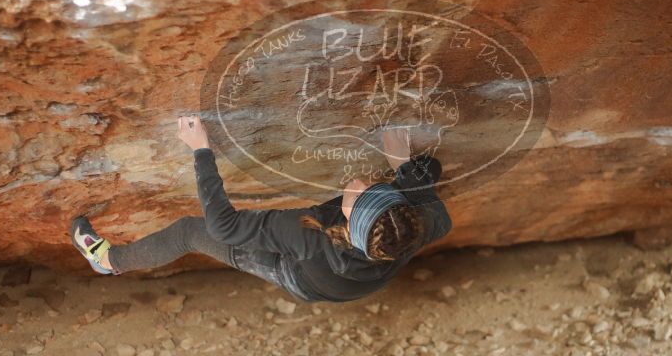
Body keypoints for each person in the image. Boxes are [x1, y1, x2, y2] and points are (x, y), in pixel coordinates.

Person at [70, 116, 452, 303]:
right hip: (355, 282)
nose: (359, 183)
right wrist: (403, 166)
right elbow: (427, 189)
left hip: (302, 280)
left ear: (348, 220)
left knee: (190, 230)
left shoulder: (308, 234)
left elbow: (223, 226)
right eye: (376, 187)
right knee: (424, 172)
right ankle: (402, 184)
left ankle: (107, 260)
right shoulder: (422, 223)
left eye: (359, 196)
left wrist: (201, 150)